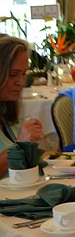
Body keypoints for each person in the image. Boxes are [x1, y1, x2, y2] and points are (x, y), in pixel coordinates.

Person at [0, 36, 43, 177]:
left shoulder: (6, 109)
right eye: (13, 74)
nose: (21, 82)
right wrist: (20, 145)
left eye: (24, 74)